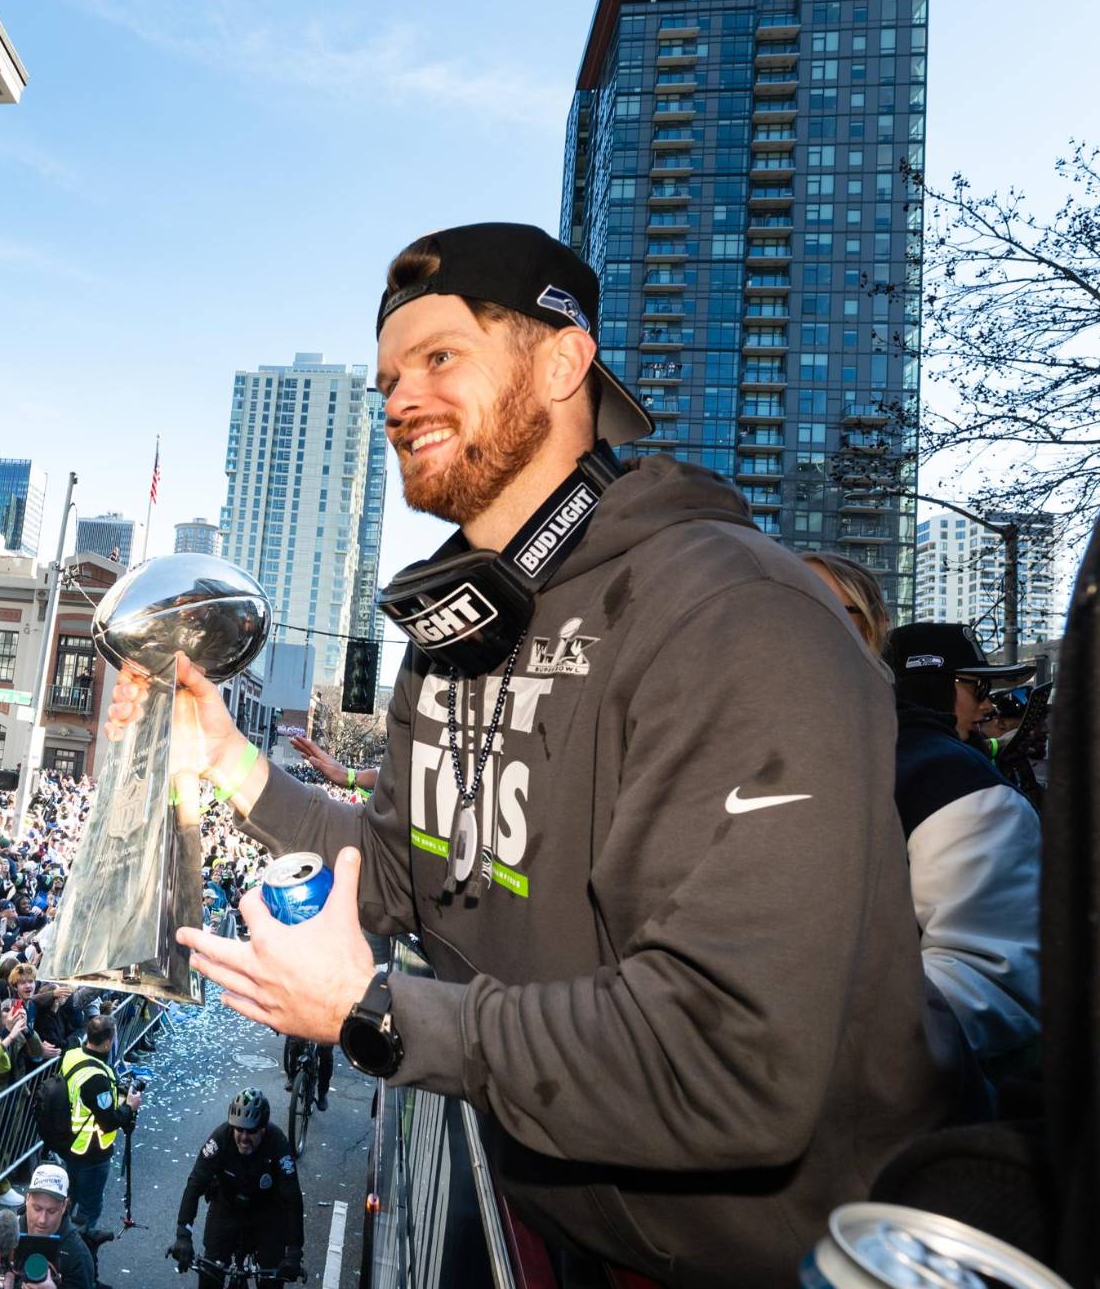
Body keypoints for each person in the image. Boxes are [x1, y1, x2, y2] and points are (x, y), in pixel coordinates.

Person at [109, 222, 963, 1285]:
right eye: (385, 378)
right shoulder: (456, 623)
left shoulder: (735, 614)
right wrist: (228, 759)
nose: (398, 400)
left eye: (439, 357)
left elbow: (728, 1057)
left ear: (563, 359)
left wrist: (377, 1012)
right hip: (558, 1236)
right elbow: (397, 872)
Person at [882, 622, 1043, 1077]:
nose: (989, 703)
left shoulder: (838, 754)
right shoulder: (961, 786)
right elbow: (996, 980)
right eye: (977, 686)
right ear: (932, 684)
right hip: (919, 1098)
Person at [172, 1090, 302, 1289]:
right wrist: (183, 1235)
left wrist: (293, 1252)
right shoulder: (220, 1138)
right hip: (227, 1207)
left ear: (263, 1129)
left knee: (273, 1281)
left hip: (267, 1212)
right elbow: (195, 1184)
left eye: (251, 1131)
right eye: (239, 1130)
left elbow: (292, 1197)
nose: (243, 1137)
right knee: (209, 1277)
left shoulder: (278, 1142)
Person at [50, 1015, 140, 1239]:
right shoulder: (96, 1077)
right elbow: (108, 1122)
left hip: (69, 1143)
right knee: (89, 1209)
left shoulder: (72, 1055)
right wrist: (129, 1106)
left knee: (69, 1201)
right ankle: (79, 1252)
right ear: (108, 1042)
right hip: (91, 1151)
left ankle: (58, 1242)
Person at [0, 1163, 94, 1289]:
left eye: (51, 1211)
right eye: (37, 1208)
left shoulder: (77, 1254)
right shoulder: (6, 1235)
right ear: (27, 1199)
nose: (42, 1220)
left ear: (64, 1206)